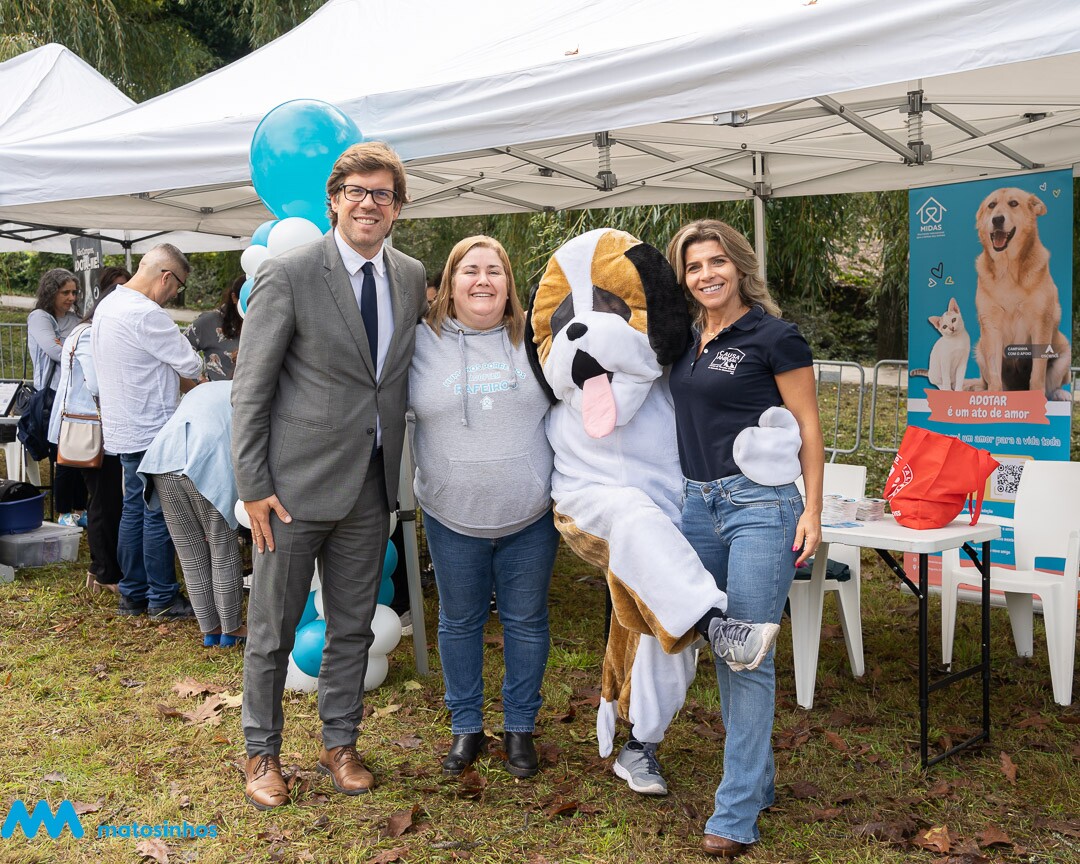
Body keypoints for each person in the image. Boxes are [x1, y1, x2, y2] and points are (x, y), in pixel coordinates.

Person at [232, 141, 426, 810]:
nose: (369, 204)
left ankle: (340, 743)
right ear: (334, 201)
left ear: (397, 208)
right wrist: (253, 485)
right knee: (272, 630)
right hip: (291, 489)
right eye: (357, 192)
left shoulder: (410, 275)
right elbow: (250, 389)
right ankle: (262, 753)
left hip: (371, 485)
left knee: (352, 625)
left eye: (383, 194)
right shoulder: (289, 273)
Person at [666, 220, 823, 859]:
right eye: (694, 266)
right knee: (722, 643)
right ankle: (757, 782)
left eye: (717, 262)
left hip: (760, 504)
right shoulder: (684, 339)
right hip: (696, 503)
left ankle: (734, 813)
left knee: (748, 654)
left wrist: (814, 510)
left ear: (739, 266)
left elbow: (808, 427)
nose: (706, 274)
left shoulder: (775, 336)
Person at [409, 236, 558, 779]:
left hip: (531, 513)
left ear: (508, 283)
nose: (482, 280)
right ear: (450, 283)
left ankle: (520, 728)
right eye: (470, 270)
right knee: (459, 621)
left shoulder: (538, 340)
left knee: (527, 621)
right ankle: (466, 726)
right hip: (451, 513)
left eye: (494, 270)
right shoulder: (418, 342)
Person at [92, 245, 203, 620]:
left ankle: (133, 594)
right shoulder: (146, 313)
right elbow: (190, 363)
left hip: (124, 427)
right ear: (166, 277)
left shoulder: (109, 304)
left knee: (134, 510)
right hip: (154, 428)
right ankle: (163, 598)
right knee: (159, 514)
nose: (174, 295)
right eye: (178, 287)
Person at [140, 381, 245, 647]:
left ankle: (210, 630)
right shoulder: (248, 390)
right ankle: (232, 630)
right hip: (206, 462)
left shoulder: (207, 388)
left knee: (190, 554)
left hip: (163, 461)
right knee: (222, 547)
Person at [48, 276, 127, 595]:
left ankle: (100, 569)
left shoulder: (83, 331)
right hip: (92, 431)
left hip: (89, 429)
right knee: (105, 502)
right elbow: (96, 384)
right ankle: (106, 571)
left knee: (104, 500)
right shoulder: (91, 334)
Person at [27, 268, 88, 527]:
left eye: (74, 292)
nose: (71, 297)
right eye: (65, 292)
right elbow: (55, 351)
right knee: (62, 456)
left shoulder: (76, 320)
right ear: (51, 292)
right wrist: (79, 351)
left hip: (78, 394)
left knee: (81, 453)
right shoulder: (40, 317)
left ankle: (80, 509)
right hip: (52, 396)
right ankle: (64, 512)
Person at [184, 276, 243, 381]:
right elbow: (179, 351)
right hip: (216, 389)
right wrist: (199, 381)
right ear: (234, 297)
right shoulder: (210, 321)